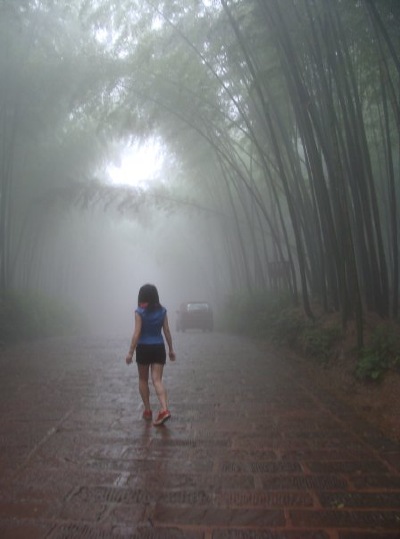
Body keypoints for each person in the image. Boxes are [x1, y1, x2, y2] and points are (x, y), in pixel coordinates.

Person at [125, 283, 176, 426]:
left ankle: (147, 410)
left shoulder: (139, 312)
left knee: (142, 379)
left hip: (143, 348)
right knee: (157, 380)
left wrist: (130, 352)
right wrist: (171, 349)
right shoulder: (163, 311)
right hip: (158, 347)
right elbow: (167, 331)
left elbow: (137, 333)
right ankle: (164, 409)